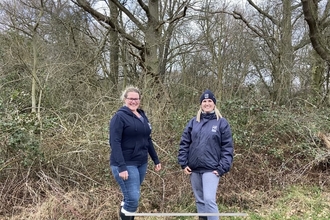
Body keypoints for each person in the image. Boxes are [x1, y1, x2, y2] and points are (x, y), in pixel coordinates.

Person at [178, 89, 234, 220]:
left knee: (209, 200)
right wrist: (183, 163)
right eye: (204, 101)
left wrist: (222, 167)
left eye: (209, 101)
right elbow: (184, 143)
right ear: (200, 104)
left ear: (214, 103)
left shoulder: (221, 122)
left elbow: (227, 147)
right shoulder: (193, 122)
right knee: (200, 201)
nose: (207, 103)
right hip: (194, 168)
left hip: (212, 169)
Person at [109, 85, 162, 220]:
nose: (134, 101)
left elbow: (147, 139)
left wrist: (156, 160)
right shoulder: (119, 117)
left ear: (140, 100)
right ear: (125, 99)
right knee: (133, 199)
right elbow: (114, 143)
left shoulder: (142, 116)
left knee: (130, 197)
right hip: (125, 163)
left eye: (136, 99)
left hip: (141, 162)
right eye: (131, 98)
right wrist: (121, 166)